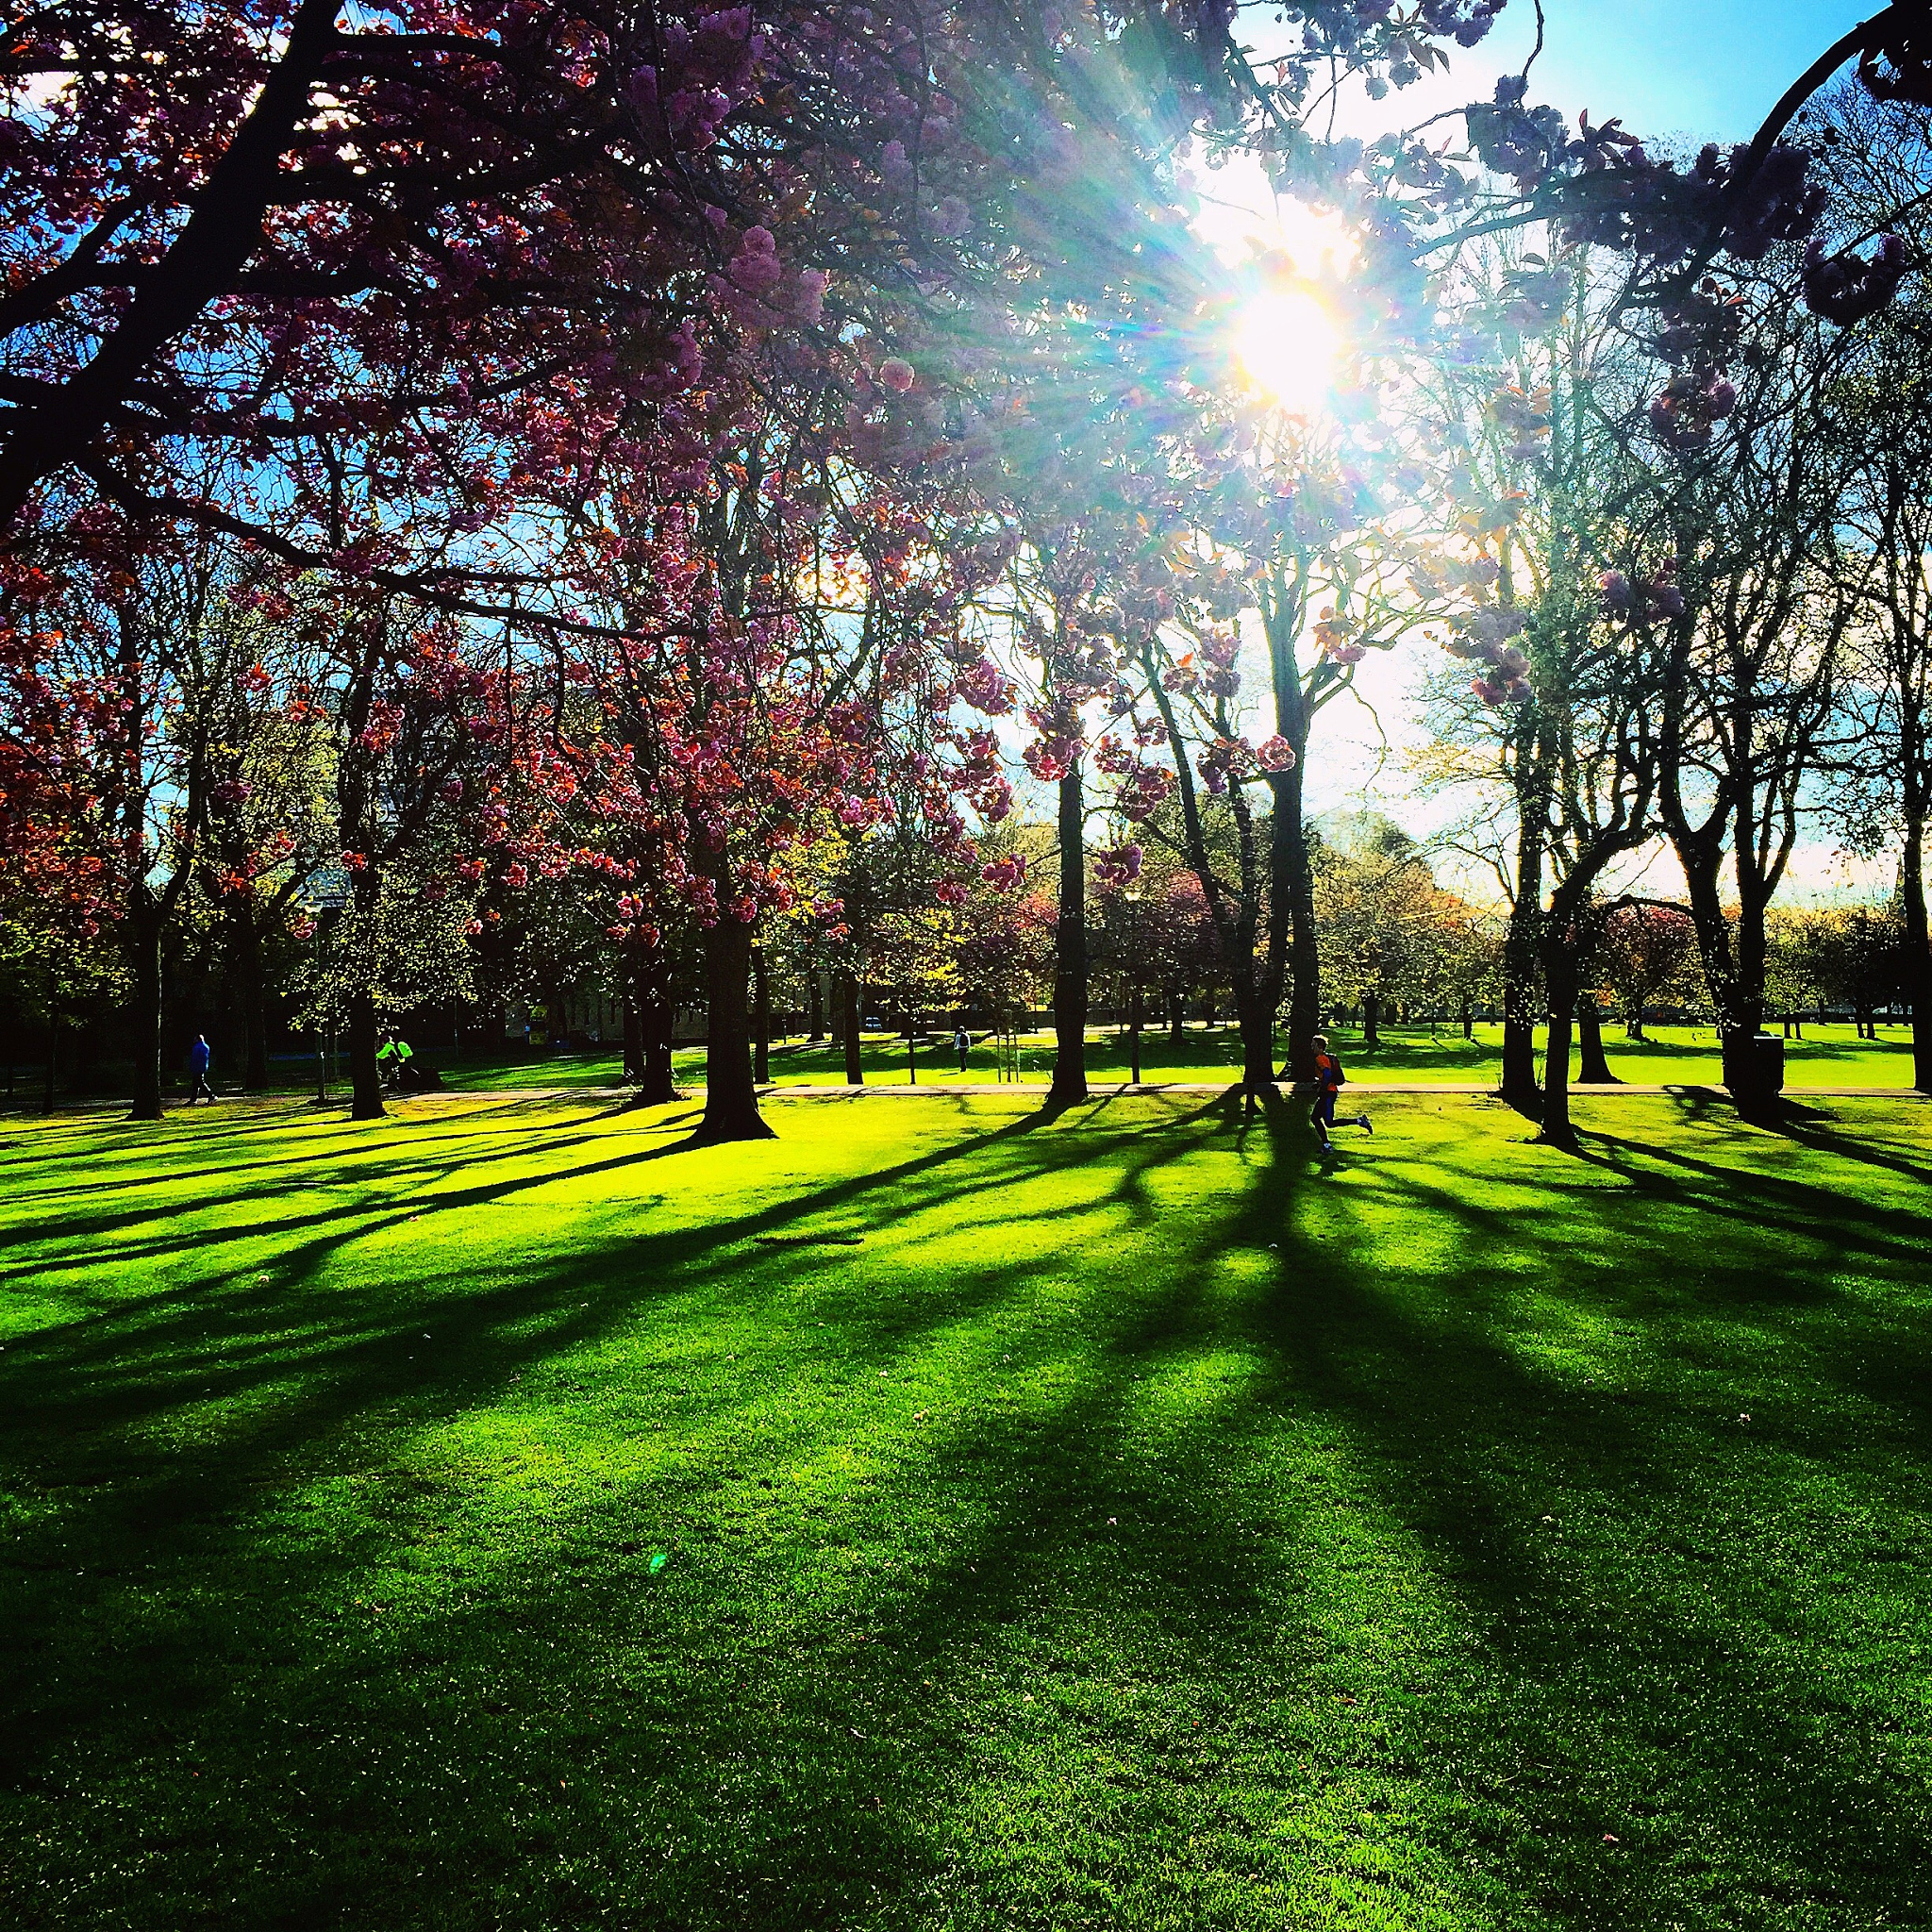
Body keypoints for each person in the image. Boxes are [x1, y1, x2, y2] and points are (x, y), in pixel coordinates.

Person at [1309, 1033, 1372, 1151]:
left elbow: (1327, 1074)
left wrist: (1322, 1088)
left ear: (1320, 1047)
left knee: (1325, 1121)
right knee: (1321, 1120)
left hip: (1328, 1093)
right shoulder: (1325, 1058)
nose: (1311, 1048)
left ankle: (1327, 1145)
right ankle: (1359, 1121)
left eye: (1313, 1045)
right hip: (1330, 1092)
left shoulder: (1320, 1059)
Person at [186, 1033, 215, 1105]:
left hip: (197, 1066)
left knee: (200, 1082)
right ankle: (193, 1099)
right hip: (203, 1066)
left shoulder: (196, 1047)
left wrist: (191, 1066)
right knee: (196, 1083)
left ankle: (211, 1095)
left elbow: (194, 1058)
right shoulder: (206, 1046)